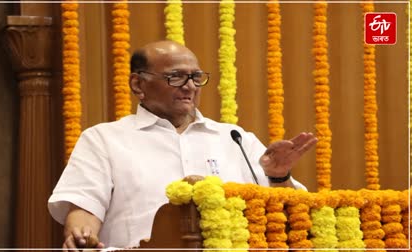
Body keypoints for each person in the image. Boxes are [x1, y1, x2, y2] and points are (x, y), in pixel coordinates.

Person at [48, 40, 318, 250]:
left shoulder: (235, 139)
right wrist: (82, 237)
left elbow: (287, 215)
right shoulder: (104, 139)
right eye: (175, 77)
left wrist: (279, 175)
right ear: (138, 84)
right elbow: (84, 208)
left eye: (196, 77)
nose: (190, 86)